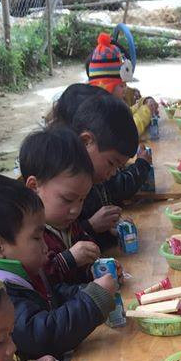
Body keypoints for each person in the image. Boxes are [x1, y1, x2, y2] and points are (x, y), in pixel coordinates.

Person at [0, 173, 117, 360]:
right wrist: (93, 300)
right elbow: (43, 336)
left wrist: (87, 290)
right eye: (37, 237)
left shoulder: (14, 268)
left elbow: (50, 296)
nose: (45, 246)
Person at [66, 88, 151, 250]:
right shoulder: (64, 183)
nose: (113, 173)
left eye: (119, 167)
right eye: (112, 163)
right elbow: (58, 243)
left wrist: (112, 225)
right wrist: (91, 226)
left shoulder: (95, 176)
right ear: (86, 142)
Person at [19, 127, 98, 286]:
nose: (76, 210)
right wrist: (69, 259)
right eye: (68, 199)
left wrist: (99, 267)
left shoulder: (69, 224)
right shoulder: (28, 237)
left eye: (82, 199)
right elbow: (39, 279)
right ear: (34, 187)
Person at [85, 32, 157, 135]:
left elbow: (125, 113)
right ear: (107, 87)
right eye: (121, 85)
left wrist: (143, 103)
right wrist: (146, 111)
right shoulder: (101, 110)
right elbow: (128, 132)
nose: (125, 88)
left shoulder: (110, 102)